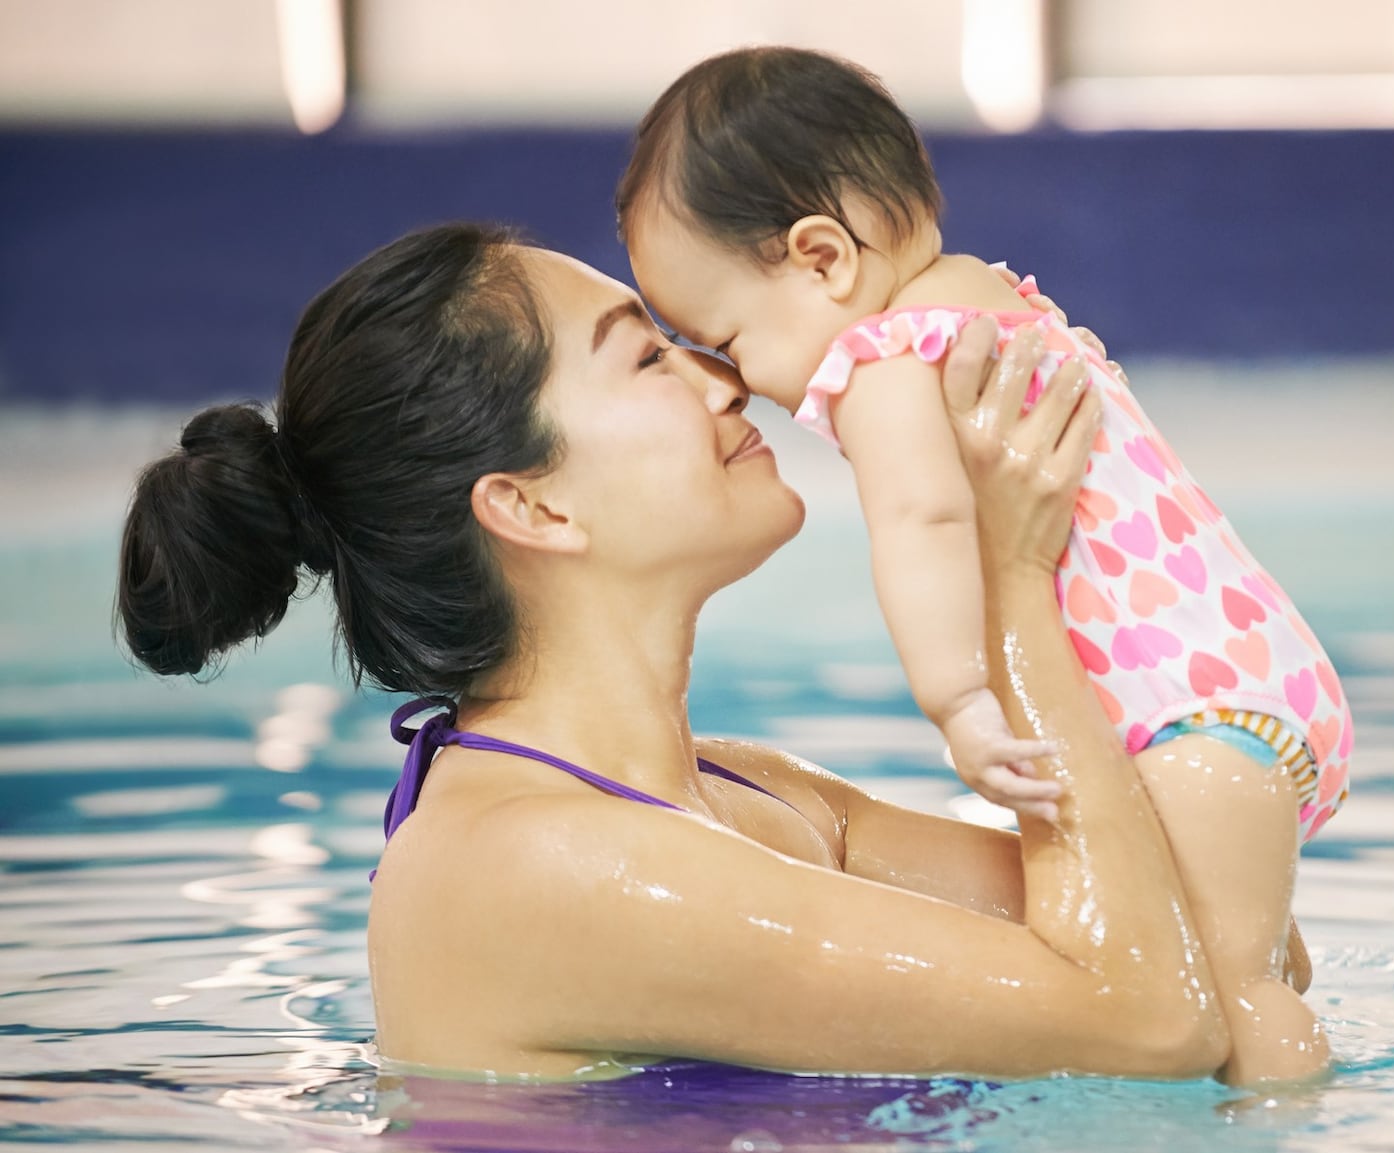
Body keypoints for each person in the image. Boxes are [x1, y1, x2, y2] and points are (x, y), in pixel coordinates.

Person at [116, 223, 1257, 1080]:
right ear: (533, 507)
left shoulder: (753, 794)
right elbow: (1153, 1020)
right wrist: (1011, 586)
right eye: (649, 360)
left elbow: (1230, 952)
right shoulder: (535, 865)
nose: (724, 376)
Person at [615, 47, 1348, 1082]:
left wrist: (955, 699)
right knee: (1248, 960)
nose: (737, 383)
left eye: (729, 340)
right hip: (1243, 679)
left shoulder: (883, 362)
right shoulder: (993, 298)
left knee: (1225, 1007)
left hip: (1185, 716)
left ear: (822, 259)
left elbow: (919, 516)